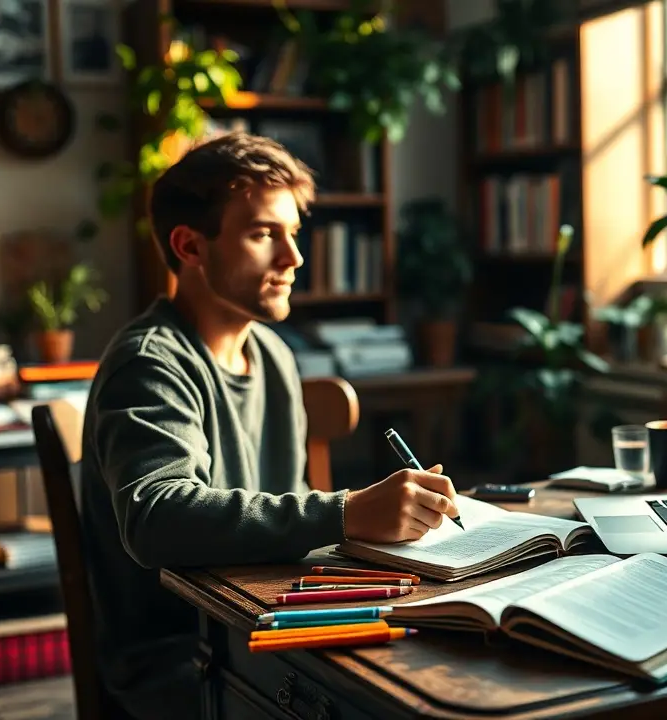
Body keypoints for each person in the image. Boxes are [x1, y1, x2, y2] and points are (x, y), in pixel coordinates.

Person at [76, 132, 461, 719]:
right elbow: (155, 516)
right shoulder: (149, 362)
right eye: (263, 234)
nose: (294, 259)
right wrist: (347, 510)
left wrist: (383, 524)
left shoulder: (275, 356)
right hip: (182, 654)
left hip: (266, 621)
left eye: (293, 234)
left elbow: (287, 500)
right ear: (190, 246)